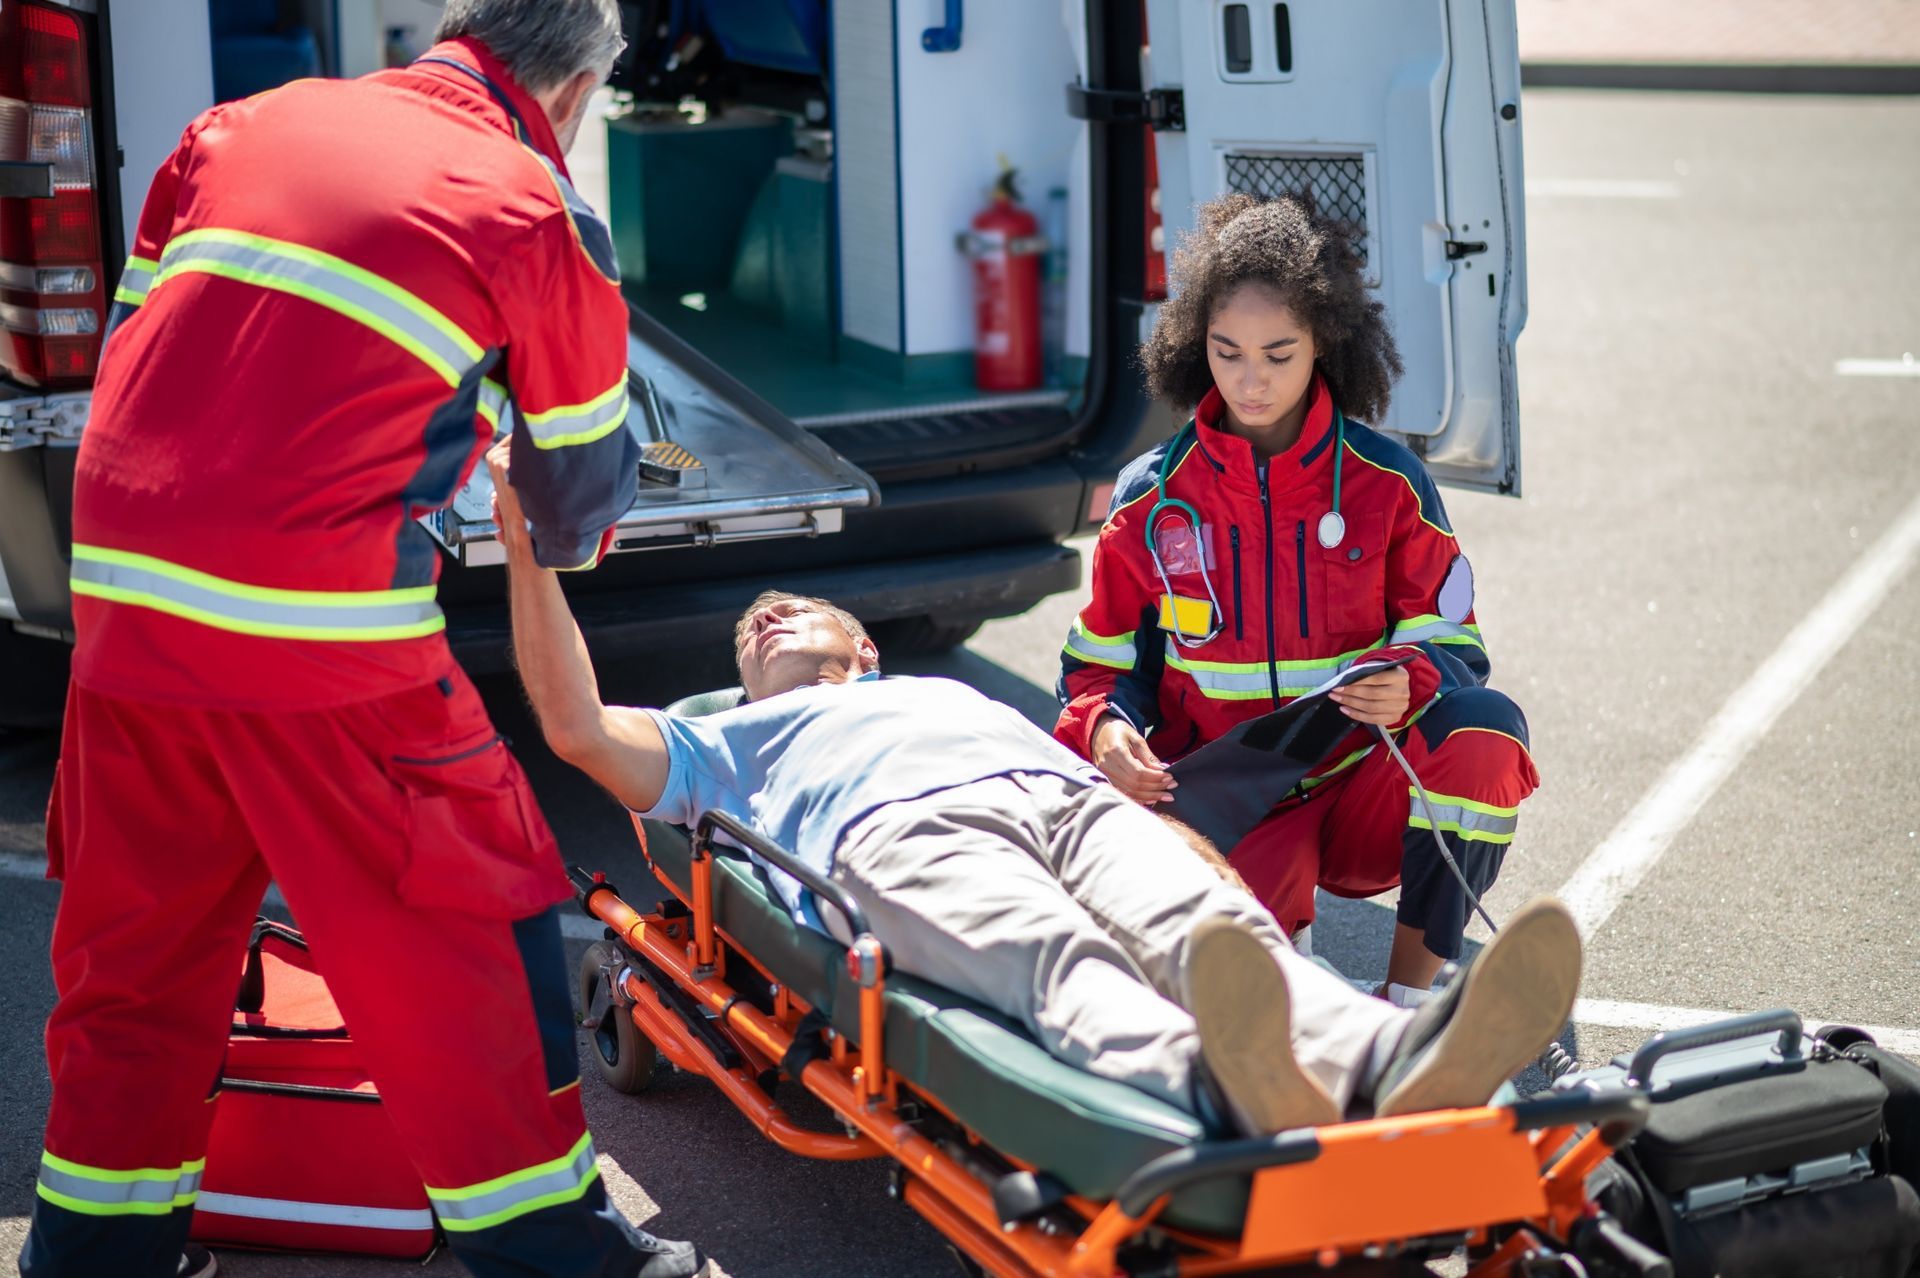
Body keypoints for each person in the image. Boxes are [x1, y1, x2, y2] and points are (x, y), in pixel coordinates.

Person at [23, 3, 706, 1276]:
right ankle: (553, 1251)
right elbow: (575, 501)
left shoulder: (236, 126)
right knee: (464, 923)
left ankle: (92, 1254)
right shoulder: (530, 208)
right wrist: (484, 472)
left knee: (141, 945)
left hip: (124, 609)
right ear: (570, 97)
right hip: (320, 637)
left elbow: (145, 355)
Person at [489, 443, 1583, 1140]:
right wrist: (527, 548)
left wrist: (1193, 853)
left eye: (789, 611)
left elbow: (1111, 778)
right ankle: (1219, 1083)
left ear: (862, 646)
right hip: (899, 836)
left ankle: (1400, 1053)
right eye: (748, 631)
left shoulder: (953, 695)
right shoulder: (721, 741)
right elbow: (576, 727)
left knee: (1210, 930)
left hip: (1061, 800)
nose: (762, 622)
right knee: (1066, 966)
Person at [1055, 193, 1539, 1006]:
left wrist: (1411, 679)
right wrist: (1105, 730)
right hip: (1231, 804)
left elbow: (1454, 645)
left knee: (1487, 732)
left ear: (1325, 345)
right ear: (1192, 346)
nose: (1251, 380)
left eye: (1279, 354)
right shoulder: (1150, 501)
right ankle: (1290, 959)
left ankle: (1412, 1001)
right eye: (1226, 352)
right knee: (1259, 1010)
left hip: (1363, 786)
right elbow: (1096, 671)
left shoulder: (1390, 481)